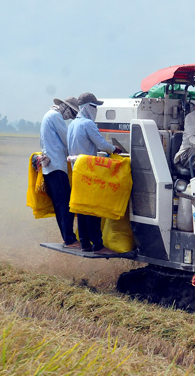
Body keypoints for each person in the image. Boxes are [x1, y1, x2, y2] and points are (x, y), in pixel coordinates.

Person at [67, 92, 121, 255]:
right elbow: (101, 144)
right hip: (89, 172)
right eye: (94, 106)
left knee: (82, 209)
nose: (96, 110)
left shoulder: (72, 125)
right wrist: (114, 149)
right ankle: (98, 245)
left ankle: (85, 244)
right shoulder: (87, 124)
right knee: (94, 209)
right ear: (87, 107)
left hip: (77, 170)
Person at [39, 96, 79, 249]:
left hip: (49, 166)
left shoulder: (48, 115)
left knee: (59, 204)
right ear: (65, 107)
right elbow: (68, 139)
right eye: (71, 113)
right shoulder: (56, 117)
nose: (70, 117)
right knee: (65, 204)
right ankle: (69, 239)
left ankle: (67, 238)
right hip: (56, 165)